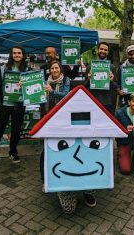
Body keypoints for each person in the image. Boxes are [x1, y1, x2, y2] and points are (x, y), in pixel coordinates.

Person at [39, 61, 96, 212]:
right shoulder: (44, 82)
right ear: (49, 70)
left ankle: (85, 186)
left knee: (71, 149)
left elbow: (67, 96)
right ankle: (46, 180)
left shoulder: (66, 81)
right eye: (52, 68)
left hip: (64, 118)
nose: (54, 70)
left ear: (60, 69)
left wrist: (52, 91)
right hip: (49, 118)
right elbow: (38, 98)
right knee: (47, 150)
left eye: (56, 67)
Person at [0, 46, 31, 166]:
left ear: (23, 55)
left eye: (19, 53)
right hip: (4, 104)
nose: (17, 55)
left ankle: (13, 152)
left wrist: (26, 82)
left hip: (19, 105)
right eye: (14, 53)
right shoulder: (2, 67)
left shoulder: (28, 69)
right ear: (11, 55)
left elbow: (34, 84)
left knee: (16, 130)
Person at [84, 42, 117, 115]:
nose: (103, 51)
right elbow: (84, 86)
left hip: (107, 103)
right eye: (101, 49)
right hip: (93, 101)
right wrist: (89, 79)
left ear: (108, 52)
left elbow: (115, 86)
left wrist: (111, 81)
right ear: (97, 50)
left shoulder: (112, 67)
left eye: (105, 50)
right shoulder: (90, 67)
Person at [115, 93, 134, 174]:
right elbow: (115, 131)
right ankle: (121, 154)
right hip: (125, 142)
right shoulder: (119, 113)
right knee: (126, 170)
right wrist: (125, 130)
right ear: (129, 102)